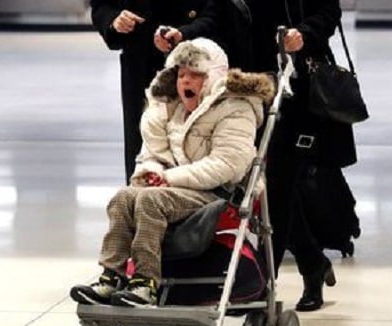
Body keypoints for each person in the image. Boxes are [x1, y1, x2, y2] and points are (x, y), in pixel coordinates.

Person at [71, 38, 275, 307]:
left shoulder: (236, 107)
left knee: (148, 200)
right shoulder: (170, 109)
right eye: (181, 75)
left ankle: (145, 283)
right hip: (175, 191)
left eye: (195, 75)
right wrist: (152, 172)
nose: (185, 82)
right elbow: (151, 155)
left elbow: (227, 165)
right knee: (124, 197)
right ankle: (112, 276)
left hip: (217, 194)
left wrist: (169, 179)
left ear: (212, 77)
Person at [217, 0, 357, 311]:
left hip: (293, 87)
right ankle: (312, 263)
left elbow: (328, 12)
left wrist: (303, 34)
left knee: (277, 186)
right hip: (243, 82)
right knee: (268, 189)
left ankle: (262, 295)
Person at [89, 0, 219, 183]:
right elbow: (102, 5)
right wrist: (113, 20)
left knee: (194, 149)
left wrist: (183, 35)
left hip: (195, 64)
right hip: (141, 64)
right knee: (143, 150)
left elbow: (217, 14)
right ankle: (141, 205)